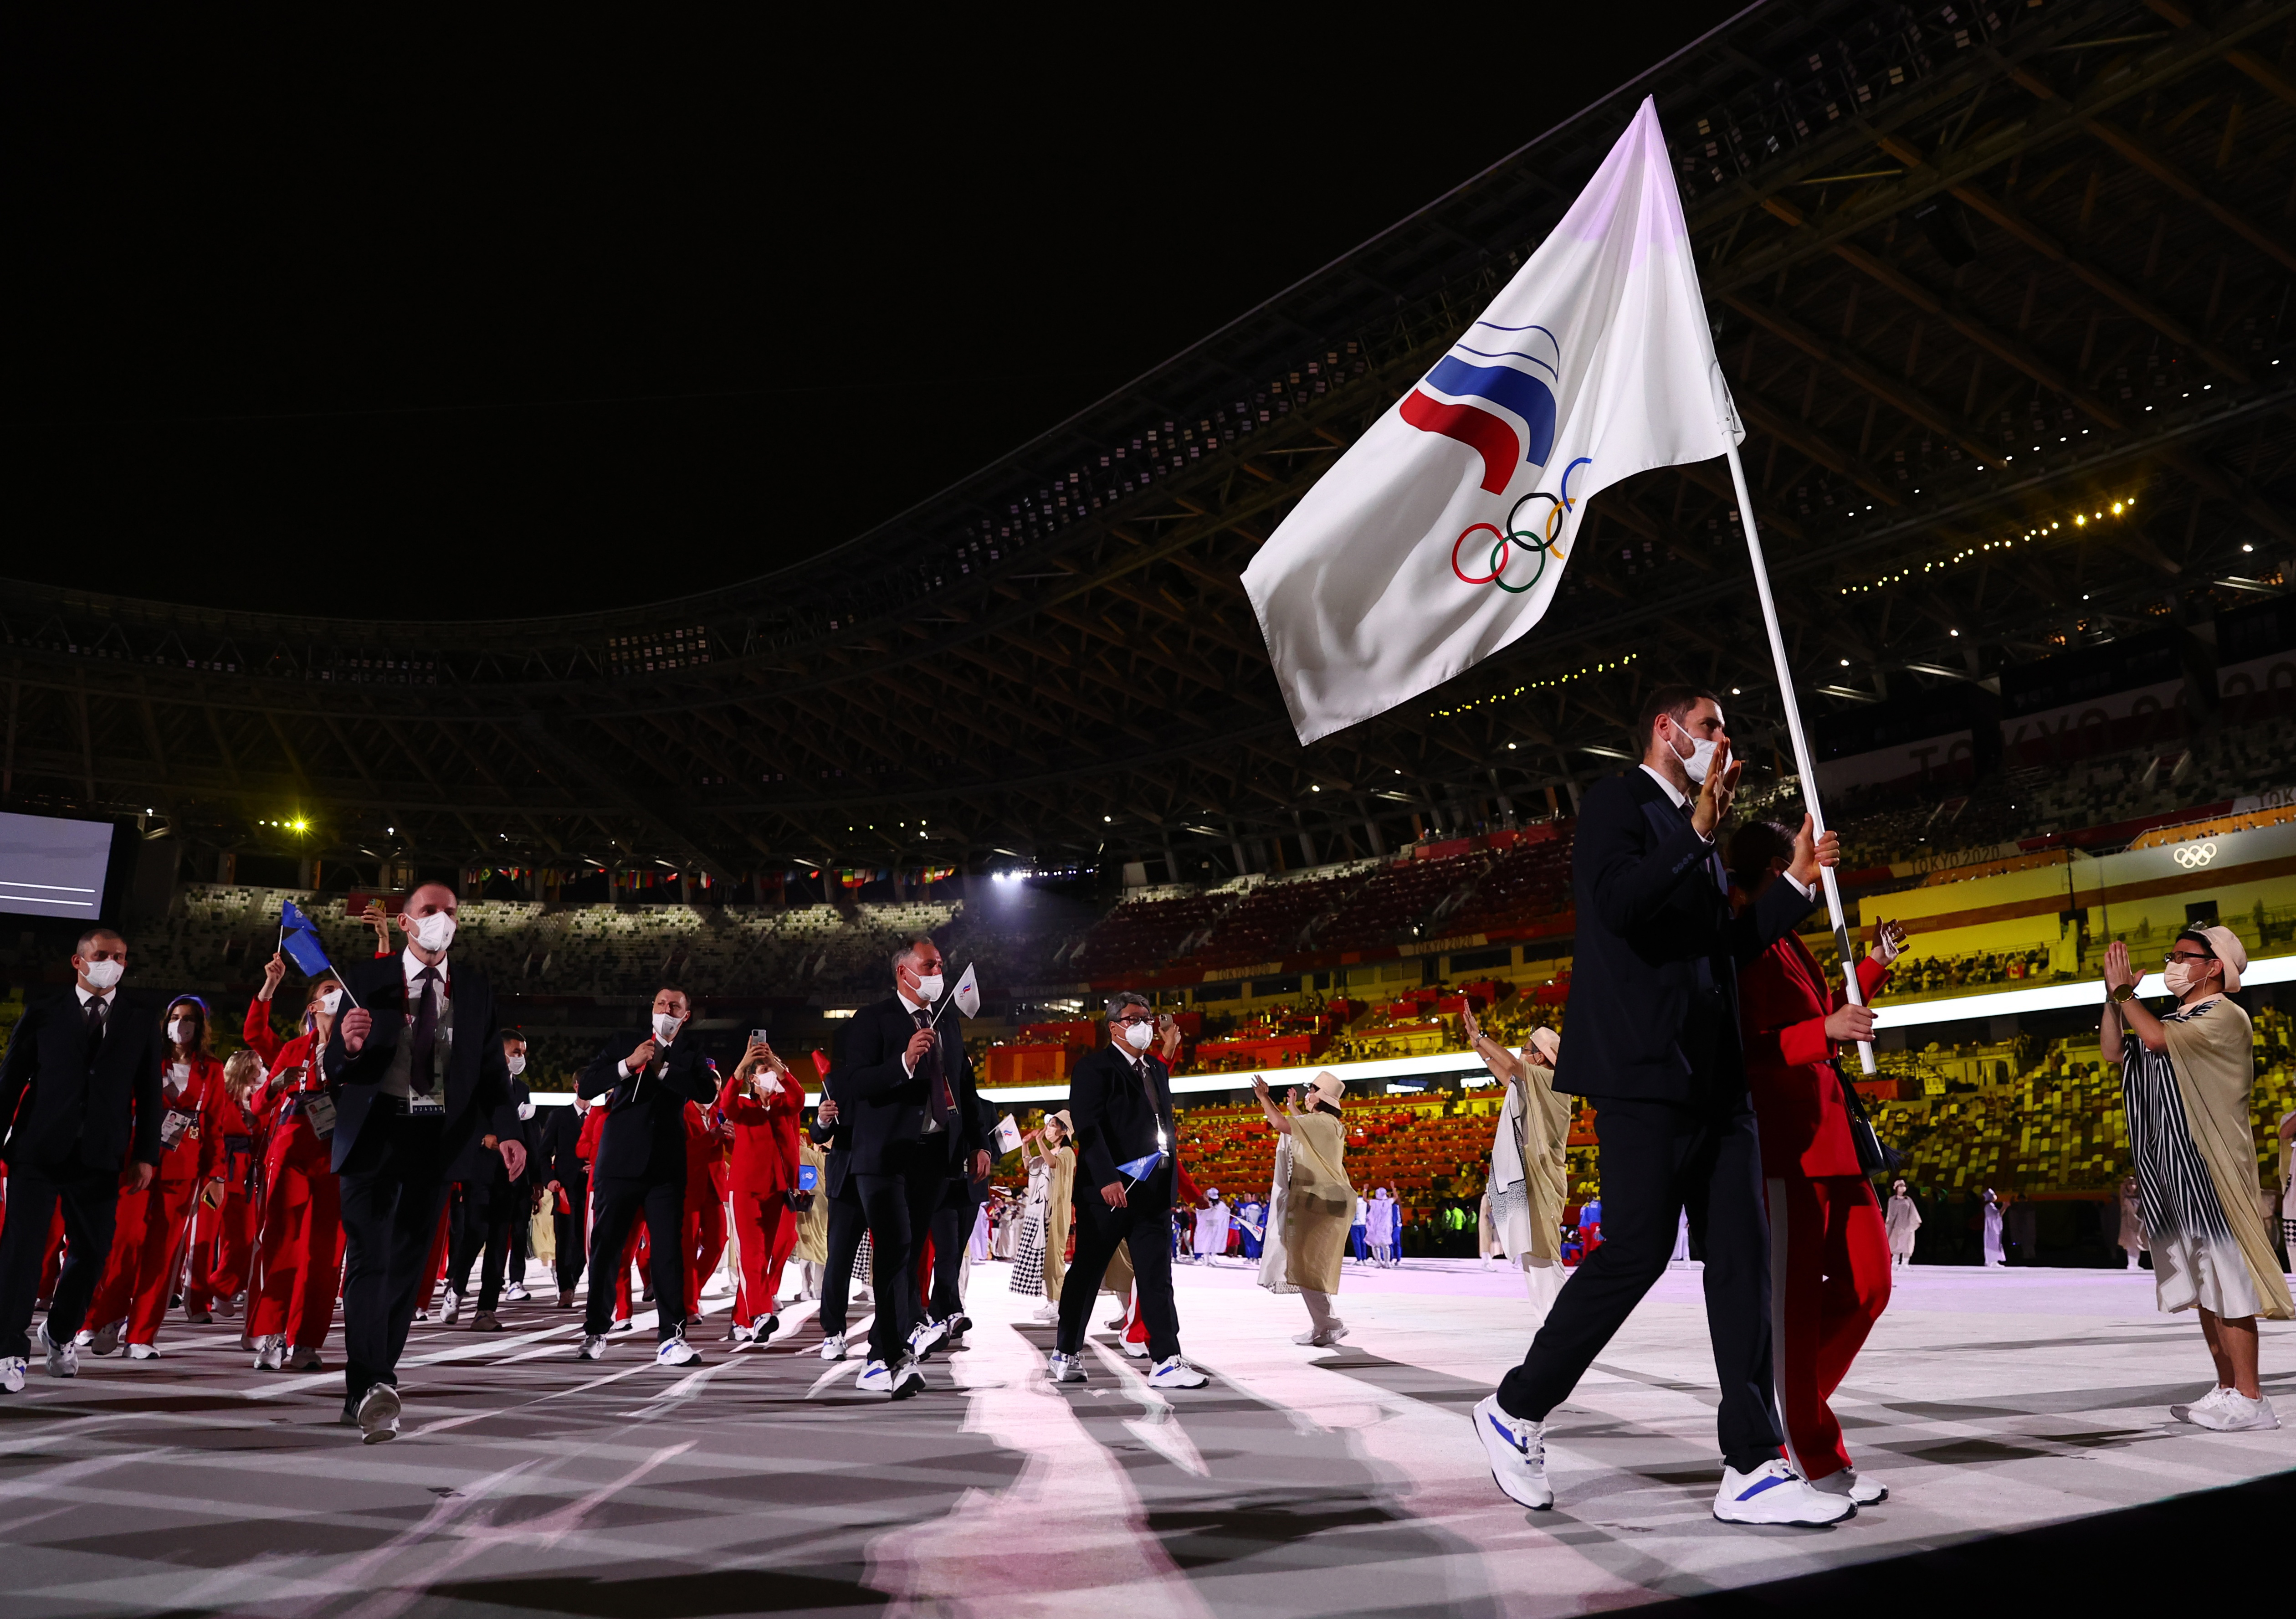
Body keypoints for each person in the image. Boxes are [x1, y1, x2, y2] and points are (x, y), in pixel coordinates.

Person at [1471, 685, 1851, 1527]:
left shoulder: (1697, 831)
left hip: (1715, 1077)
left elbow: (1720, 947)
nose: (1723, 739)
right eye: (1711, 726)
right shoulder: (1621, 803)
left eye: (1724, 729)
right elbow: (1618, 906)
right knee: (1635, 1255)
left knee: (1743, 1259)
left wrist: (1793, 882)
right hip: (1643, 1072)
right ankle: (1515, 1406)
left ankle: (1751, 1460)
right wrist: (1698, 831)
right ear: (1666, 729)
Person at [1731, 819, 1906, 1504]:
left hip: (1833, 1143)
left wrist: (1873, 966)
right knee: (1795, 1310)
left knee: (1870, 1286)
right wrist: (1822, 1032)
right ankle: (1809, 1450)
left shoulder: (1789, 939)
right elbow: (1746, 1048)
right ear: (1777, 868)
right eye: (1799, 861)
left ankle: (1791, 1407)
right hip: (1788, 1144)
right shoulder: (1742, 940)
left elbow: (1826, 1015)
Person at [324, 881, 522, 1441]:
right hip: (375, 1133)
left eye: (451, 912)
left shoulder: (476, 988)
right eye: (430, 911)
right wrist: (350, 1046)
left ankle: (365, 1387)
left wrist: (509, 1133)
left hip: (437, 1138)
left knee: (408, 1268)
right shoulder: (366, 979)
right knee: (369, 1259)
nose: (443, 920)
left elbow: (490, 1075)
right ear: (406, 922)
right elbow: (336, 1064)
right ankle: (374, 1383)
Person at [2101, 928, 2292, 1430]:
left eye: (2185, 957)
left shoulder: (2225, 1015)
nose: (2174, 964)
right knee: (2205, 1285)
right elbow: (2114, 1052)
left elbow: (2157, 1040)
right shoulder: (2167, 1018)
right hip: (2172, 1167)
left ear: (2213, 967)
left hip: (2210, 1166)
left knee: (2228, 1283)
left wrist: (2126, 995)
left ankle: (2252, 1398)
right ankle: (2227, 1388)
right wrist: (2110, 998)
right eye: (2173, 956)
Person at [0, 927, 163, 1392]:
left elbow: (150, 1096)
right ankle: (10, 1349)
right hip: (38, 1149)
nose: (112, 962)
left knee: (92, 1255)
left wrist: (145, 1155)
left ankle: (60, 1330)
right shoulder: (43, 1013)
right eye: (102, 955)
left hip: (101, 1155)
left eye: (120, 957)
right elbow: (9, 1083)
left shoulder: (139, 1019)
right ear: (79, 961)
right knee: (22, 1253)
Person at [834, 938, 990, 1397]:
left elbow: (965, 1084)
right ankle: (891, 1355)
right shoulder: (873, 1020)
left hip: (933, 1155)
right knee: (897, 1249)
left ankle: (884, 1355)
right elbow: (853, 1083)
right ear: (905, 972)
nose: (940, 969)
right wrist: (902, 1063)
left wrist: (979, 1143)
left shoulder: (948, 1023)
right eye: (931, 963)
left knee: (910, 1252)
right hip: (883, 1157)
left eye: (941, 963)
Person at [1050, 992, 1207, 1390]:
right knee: (1087, 1271)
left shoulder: (1155, 1068)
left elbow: (1163, 1128)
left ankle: (1167, 1358)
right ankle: (1066, 1350)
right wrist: (1106, 1176)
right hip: (1109, 1191)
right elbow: (1088, 1125)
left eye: (1149, 1017)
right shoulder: (1093, 1068)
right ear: (1115, 1026)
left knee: (1157, 1276)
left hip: (1152, 1190)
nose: (1146, 1025)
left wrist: (1173, 1182)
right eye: (1136, 1018)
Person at [80, 994, 230, 1360]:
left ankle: (142, 1333)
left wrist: (217, 1175)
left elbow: (215, 1128)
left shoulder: (211, 1069)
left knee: (162, 1255)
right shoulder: (147, 1060)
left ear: (202, 1025)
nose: (182, 1024)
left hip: (183, 1170)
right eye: (176, 1016)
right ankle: (107, 1317)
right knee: (123, 1243)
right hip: (138, 1162)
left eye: (190, 1018)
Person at [574, 985, 714, 1366]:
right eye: (660, 1003)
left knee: (669, 1253)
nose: (666, 1009)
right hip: (619, 1163)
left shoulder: (690, 1051)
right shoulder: (626, 1041)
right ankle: (596, 1330)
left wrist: (664, 1068)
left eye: (675, 1006)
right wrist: (629, 1063)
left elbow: (706, 1091)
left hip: (666, 1167)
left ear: (685, 1015)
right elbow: (588, 1085)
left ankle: (671, 1336)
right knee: (606, 1250)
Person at [243, 963, 350, 1370]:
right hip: (291, 1157)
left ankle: (306, 1341)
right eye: (329, 989)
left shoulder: (357, 1048)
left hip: (337, 1159)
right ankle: (273, 1333)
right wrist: (270, 983)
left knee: (326, 1256)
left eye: (344, 990)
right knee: (282, 1245)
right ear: (314, 1004)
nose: (337, 995)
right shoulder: (292, 1049)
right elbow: (255, 1039)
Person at [1466, 1013, 1569, 1321]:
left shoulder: (1552, 1080)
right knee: (1534, 1251)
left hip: (1543, 1176)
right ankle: (1552, 1322)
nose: (1522, 1052)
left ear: (1539, 1056)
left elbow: (1511, 1066)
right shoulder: (1534, 1083)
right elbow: (1505, 1073)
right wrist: (1479, 1046)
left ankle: (1562, 1322)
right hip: (1532, 1175)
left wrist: (1482, 1036)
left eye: (1526, 1048)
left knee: (1545, 1253)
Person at [441, 1029, 535, 1331]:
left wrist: (533, 1178)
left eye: (523, 1052)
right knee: (476, 1231)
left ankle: (486, 1310)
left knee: (499, 1241)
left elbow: (529, 1136)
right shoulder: (474, 1085)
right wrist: (484, 1139)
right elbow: (459, 1122)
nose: (520, 1057)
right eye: (515, 1051)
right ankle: (456, 1286)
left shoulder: (522, 1090)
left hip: (510, 1175)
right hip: (479, 1169)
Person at [1254, 1071, 1354, 1346]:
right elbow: (1304, 1128)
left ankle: (1328, 1324)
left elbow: (1279, 1124)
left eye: (1311, 1091)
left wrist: (1264, 1098)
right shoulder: (1329, 1123)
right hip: (1328, 1199)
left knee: (1305, 1266)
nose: (1308, 1094)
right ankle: (1326, 1324)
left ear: (1320, 1097)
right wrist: (1293, 1107)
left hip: (1317, 1200)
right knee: (1308, 1265)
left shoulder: (1321, 1122)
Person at [720, 1037, 804, 1344]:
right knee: (752, 1257)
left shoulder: (786, 1107)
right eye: (766, 1069)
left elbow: (798, 1095)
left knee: (769, 1255)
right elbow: (726, 1103)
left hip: (780, 1191)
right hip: (746, 1191)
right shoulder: (743, 1107)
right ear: (754, 1078)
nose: (773, 1074)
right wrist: (742, 1065)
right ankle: (760, 1314)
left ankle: (744, 1319)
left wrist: (779, 1068)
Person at [184, 1048, 268, 1326]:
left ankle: (222, 1286)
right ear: (244, 1067)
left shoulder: (257, 1100)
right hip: (218, 1173)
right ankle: (197, 1301)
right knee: (204, 1240)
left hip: (244, 1177)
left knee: (245, 1239)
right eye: (257, 1065)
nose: (262, 1069)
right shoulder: (222, 1093)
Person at [809, 1079, 867, 1361]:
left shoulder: (904, 1072)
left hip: (890, 1178)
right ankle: (833, 1333)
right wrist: (822, 1119)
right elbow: (818, 1136)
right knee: (839, 1260)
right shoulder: (836, 1082)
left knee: (897, 1260)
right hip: (847, 1183)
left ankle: (901, 1329)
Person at [1014, 1111, 1075, 1320]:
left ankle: (1057, 1303)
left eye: (1051, 1125)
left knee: (1055, 1259)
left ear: (1064, 1130)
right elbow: (1029, 1165)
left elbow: (1051, 1163)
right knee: (1046, 1260)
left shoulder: (1067, 1152)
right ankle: (1052, 1301)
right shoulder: (1052, 1152)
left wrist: (1038, 1140)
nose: (1047, 1129)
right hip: (1042, 1214)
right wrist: (1025, 1144)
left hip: (1055, 1212)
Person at [539, 1094, 592, 1306]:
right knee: (564, 1238)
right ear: (577, 1086)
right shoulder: (559, 1116)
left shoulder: (599, 1115)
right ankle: (566, 1288)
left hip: (591, 1188)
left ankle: (574, 1279)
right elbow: (543, 1152)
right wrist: (549, 1180)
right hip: (564, 1188)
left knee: (584, 1240)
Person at [1884, 1179, 1922, 1266]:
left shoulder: (1908, 1200)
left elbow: (1913, 1212)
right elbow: (1891, 1214)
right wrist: (1889, 1224)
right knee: (1896, 1244)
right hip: (1897, 1226)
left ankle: (1905, 1263)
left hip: (1907, 1225)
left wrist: (1914, 1223)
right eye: (1900, 1186)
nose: (1902, 1187)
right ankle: (1895, 1262)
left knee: (1908, 1244)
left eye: (1904, 1185)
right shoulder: (1892, 1200)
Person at [1193, 1188, 1231, 1266]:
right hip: (1214, 1226)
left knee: (1208, 1243)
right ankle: (1210, 1259)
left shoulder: (1216, 1205)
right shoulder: (1218, 1204)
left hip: (1210, 1226)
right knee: (1213, 1242)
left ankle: (1209, 1260)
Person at [1979, 1189, 2007, 1267]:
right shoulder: (1989, 1206)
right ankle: (1992, 1261)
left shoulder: (1990, 1206)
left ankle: (1993, 1261)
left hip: (1992, 1229)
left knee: (1993, 1243)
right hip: (1992, 1229)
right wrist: (2004, 1207)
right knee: (1993, 1243)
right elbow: (1997, 1216)